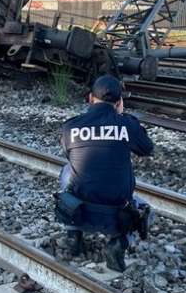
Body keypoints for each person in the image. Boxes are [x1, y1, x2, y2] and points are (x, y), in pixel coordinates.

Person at [57, 75, 154, 272]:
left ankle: (73, 236)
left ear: (91, 98)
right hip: (117, 212)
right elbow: (147, 149)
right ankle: (119, 242)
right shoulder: (127, 125)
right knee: (148, 212)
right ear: (119, 102)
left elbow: (68, 152)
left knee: (68, 170)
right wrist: (122, 117)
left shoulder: (71, 126)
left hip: (81, 209)